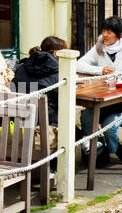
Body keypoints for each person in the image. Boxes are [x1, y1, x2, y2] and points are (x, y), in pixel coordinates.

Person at [76, 17, 122, 162]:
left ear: (119, 35)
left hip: (119, 103)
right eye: (103, 31)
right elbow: (78, 65)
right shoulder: (99, 47)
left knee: (110, 126)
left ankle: (116, 150)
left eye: (109, 32)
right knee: (87, 118)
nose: (105, 35)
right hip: (104, 98)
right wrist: (100, 70)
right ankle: (98, 151)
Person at [12, 36, 67, 125]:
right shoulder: (58, 73)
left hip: (17, 119)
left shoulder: (22, 67)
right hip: (43, 122)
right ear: (56, 53)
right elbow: (63, 99)